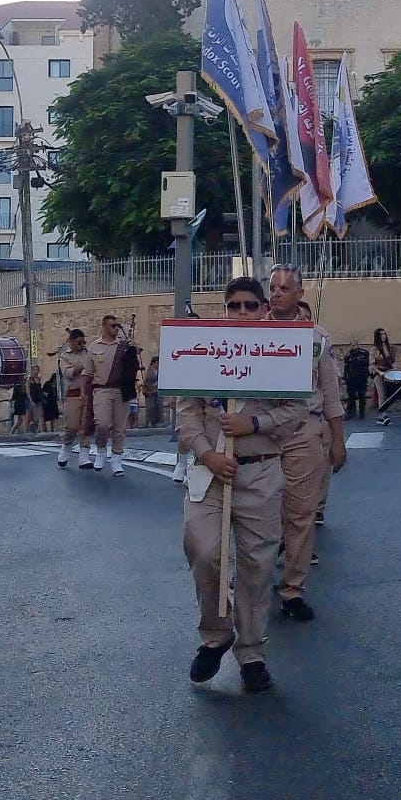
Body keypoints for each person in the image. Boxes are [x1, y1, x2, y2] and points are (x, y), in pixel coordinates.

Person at [177, 276, 306, 695]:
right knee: (204, 550)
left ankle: (251, 652)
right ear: (225, 309)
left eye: (252, 305)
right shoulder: (202, 350)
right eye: (235, 306)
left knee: (256, 567)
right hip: (211, 472)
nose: (244, 313)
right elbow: (187, 413)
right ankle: (216, 633)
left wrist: (256, 422)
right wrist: (207, 453)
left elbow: (296, 413)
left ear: (264, 308)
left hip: (262, 471)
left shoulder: (282, 351)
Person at [267, 264, 345, 623]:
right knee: (258, 513)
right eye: (273, 286)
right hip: (261, 434)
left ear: (300, 293)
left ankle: (293, 589)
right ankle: (254, 576)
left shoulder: (318, 339)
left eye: (286, 287)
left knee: (300, 515)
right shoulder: (252, 333)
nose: (278, 292)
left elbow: (330, 394)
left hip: (303, 433)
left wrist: (337, 441)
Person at [84, 314, 129, 474]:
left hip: (121, 390)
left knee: (120, 428)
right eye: (112, 326)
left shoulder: (124, 346)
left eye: (117, 325)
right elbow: (88, 373)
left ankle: (117, 460)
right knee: (102, 424)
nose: (116, 328)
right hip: (101, 389)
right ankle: (101, 450)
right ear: (104, 327)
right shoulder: (94, 347)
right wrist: (85, 394)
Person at [54, 329, 90, 467]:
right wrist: (82, 366)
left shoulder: (89, 353)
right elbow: (68, 373)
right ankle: (66, 446)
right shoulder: (65, 356)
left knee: (86, 426)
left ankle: (84, 457)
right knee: (72, 425)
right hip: (73, 393)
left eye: (83, 342)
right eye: (79, 342)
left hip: (87, 392)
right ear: (72, 342)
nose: (82, 345)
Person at [369, 328, 395, 408]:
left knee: (389, 393)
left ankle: (386, 410)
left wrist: (396, 370)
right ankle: (382, 412)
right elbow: (372, 364)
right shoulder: (374, 349)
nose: (384, 336)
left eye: (384, 334)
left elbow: (392, 361)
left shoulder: (389, 348)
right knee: (381, 394)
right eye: (381, 334)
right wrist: (380, 372)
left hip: (389, 371)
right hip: (378, 372)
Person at [141, 356, 162, 427]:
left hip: (158, 390)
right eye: (157, 362)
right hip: (149, 390)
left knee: (158, 405)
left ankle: (158, 421)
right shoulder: (148, 370)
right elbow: (144, 380)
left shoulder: (160, 370)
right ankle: (149, 421)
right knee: (150, 406)